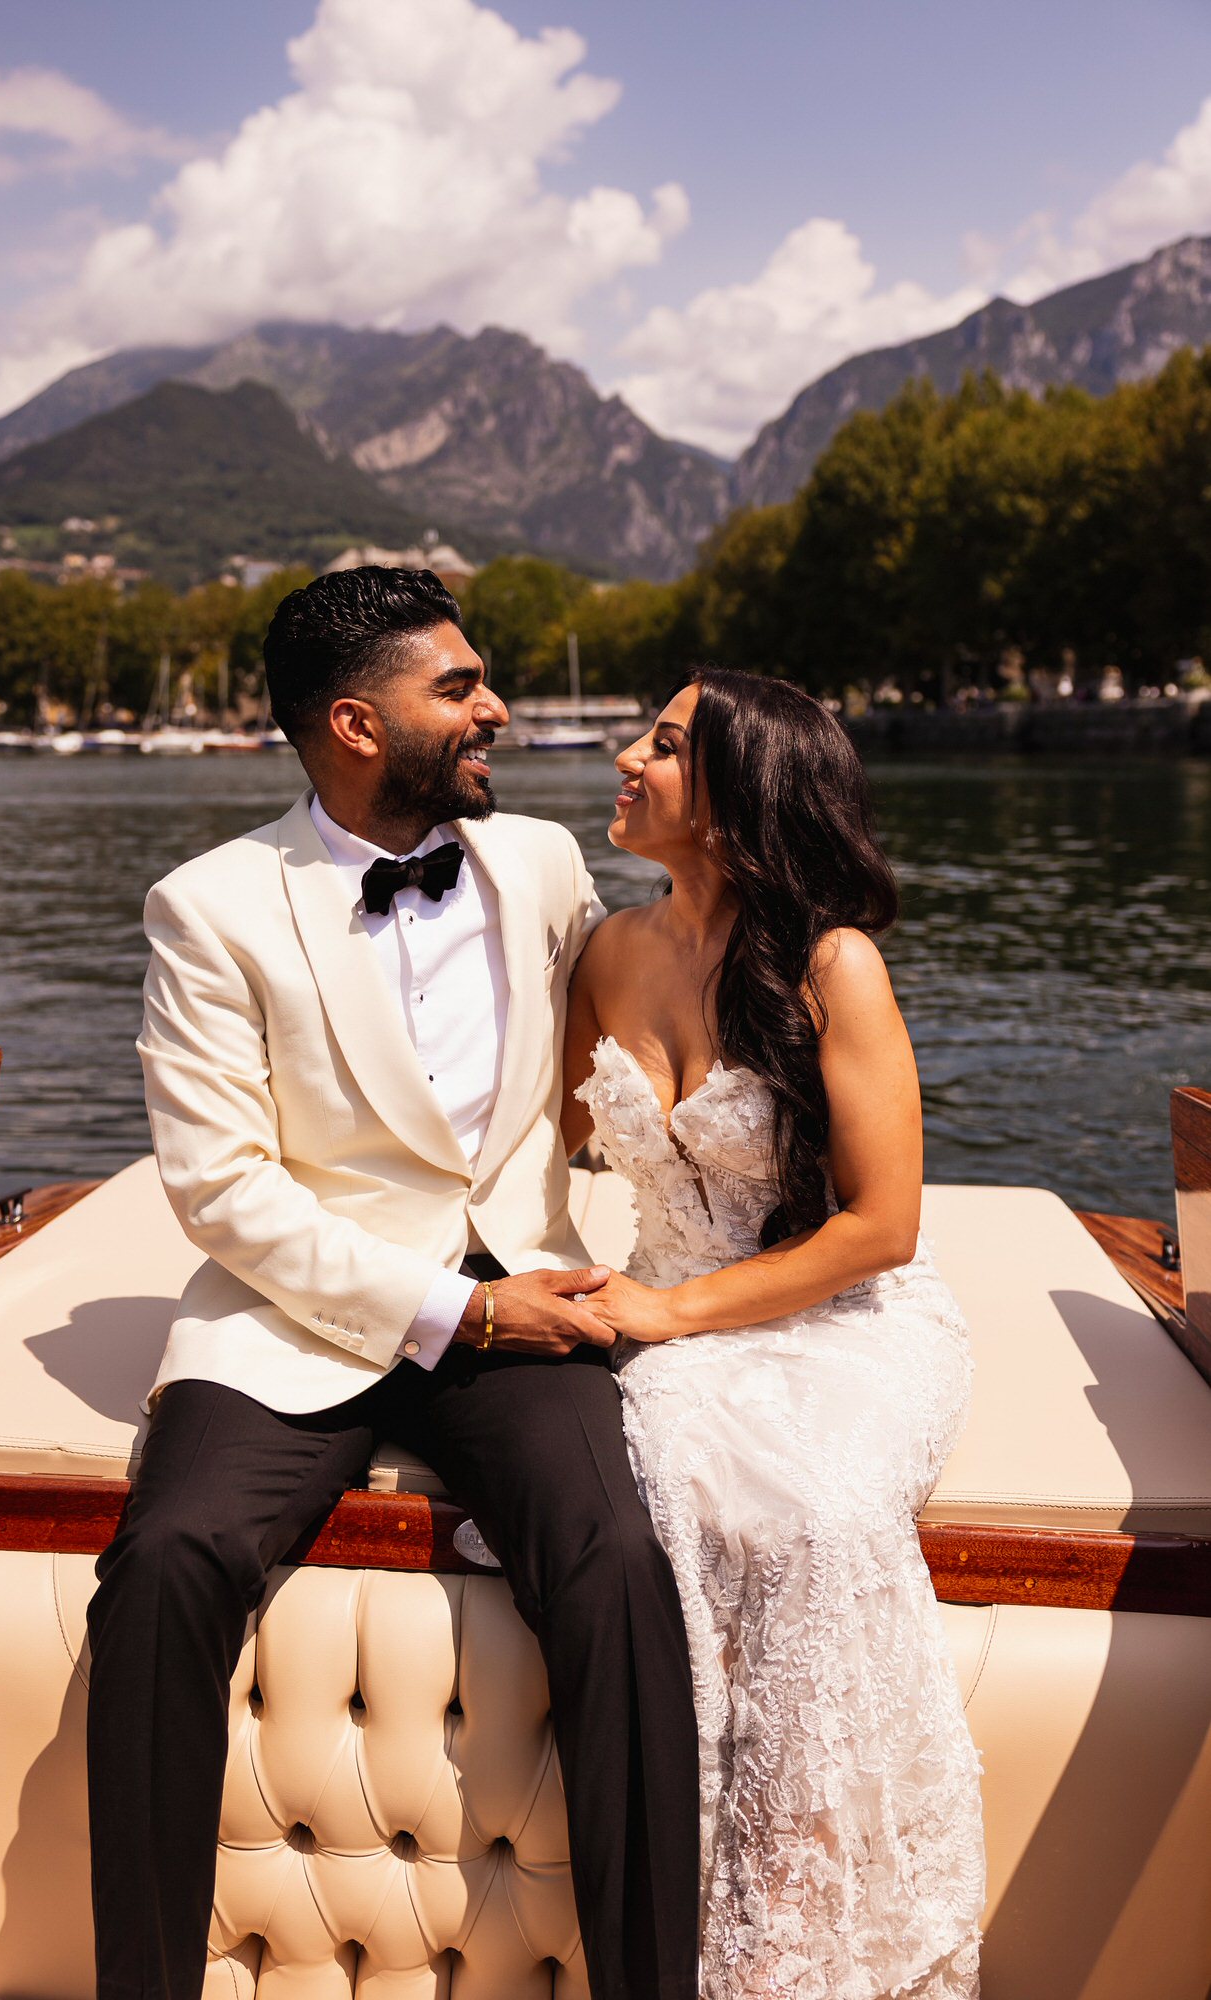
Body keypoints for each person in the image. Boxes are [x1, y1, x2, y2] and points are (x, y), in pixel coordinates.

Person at [85, 567, 701, 2000]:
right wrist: (462, 1312)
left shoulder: (541, 864)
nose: (497, 710)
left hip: (524, 1290)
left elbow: (647, 1024)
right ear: (357, 725)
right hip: (292, 1325)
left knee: (620, 1563)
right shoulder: (207, 907)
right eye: (460, 687)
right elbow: (222, 1191)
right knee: (165, 1565)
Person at [563, 669, 986, 2000]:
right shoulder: (608, 953)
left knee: (814, 1515)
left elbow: (883, 1227)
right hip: (663, 1317)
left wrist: (671, 1312)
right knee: (649, 1491)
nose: (626, 758)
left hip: (845, 1314)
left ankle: (801, 1952)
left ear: (740, 792)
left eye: (664, 744)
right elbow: (526, 1146)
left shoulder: (830, 963)